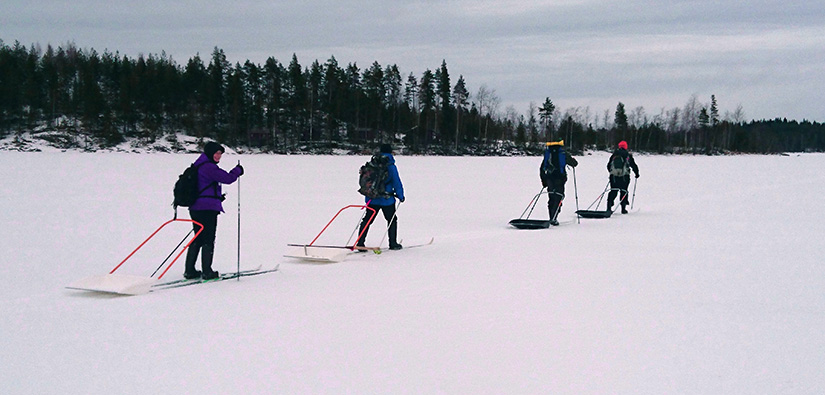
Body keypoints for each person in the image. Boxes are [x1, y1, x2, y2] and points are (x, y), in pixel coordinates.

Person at [183, 141, 244, 279]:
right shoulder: (208, 167)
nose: (219, 156)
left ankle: (190, 270)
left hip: (197, 207)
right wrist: (238, 171)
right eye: (217, 153)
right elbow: (227, 178)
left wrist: (216, 197)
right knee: (208, 239)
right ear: (210, 153)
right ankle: (207, 271)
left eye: (220, 154)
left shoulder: (198, 165)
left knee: (198, 238)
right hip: (206, 209)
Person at [356, 143, 405, 250]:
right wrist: (401, 195)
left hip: (371, 197)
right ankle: (393, 243)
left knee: (367, 220)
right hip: (386, 199)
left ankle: (360, 243)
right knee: (391, 219)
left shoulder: (373, 163)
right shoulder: (390, 166)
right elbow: (396, 182)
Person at [540, 140, 578, 226]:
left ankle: (551, 217)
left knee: (551, 198)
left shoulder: (548, 153)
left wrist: (544, 180)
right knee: (559, 197)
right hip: (560, 179)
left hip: (549, 178)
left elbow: (542, 168)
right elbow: (574, 164)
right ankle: (554, 217)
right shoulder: (563, 153)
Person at [606, 140, 640, 214]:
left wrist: (612, 173)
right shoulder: (628, 155)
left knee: (613, 191)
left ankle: (609, 207)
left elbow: (608, 165)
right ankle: (623, 208)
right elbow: (633, 165)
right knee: (623, 191)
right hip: (624, 177)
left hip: (614, 177)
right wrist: (637, 174)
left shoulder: (614, 155)